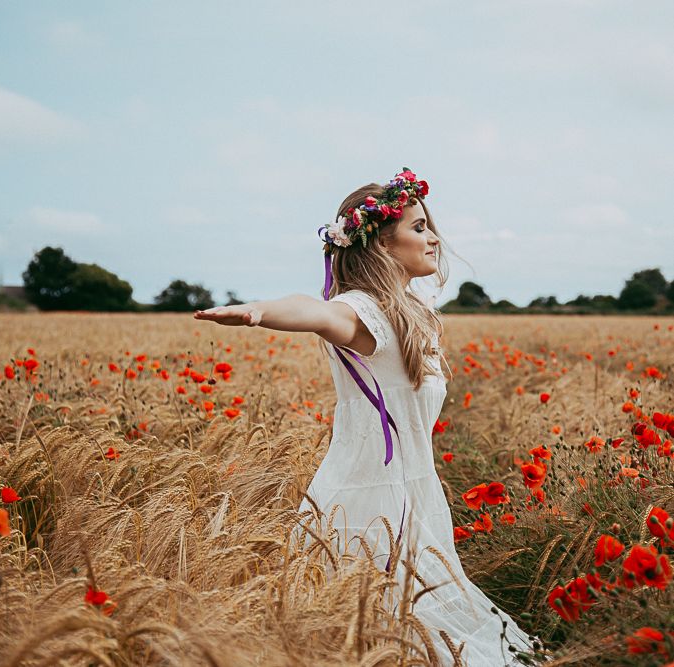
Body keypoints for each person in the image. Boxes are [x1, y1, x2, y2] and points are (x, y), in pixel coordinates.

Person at [194, 168, 545, 666]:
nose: (433, 238)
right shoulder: (362, 310)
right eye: (418, 227)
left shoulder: (408, 309)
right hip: (369, 505)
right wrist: (258, 311)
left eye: (429, 225)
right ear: (382, 244)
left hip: (410, 491)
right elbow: (317, 312)